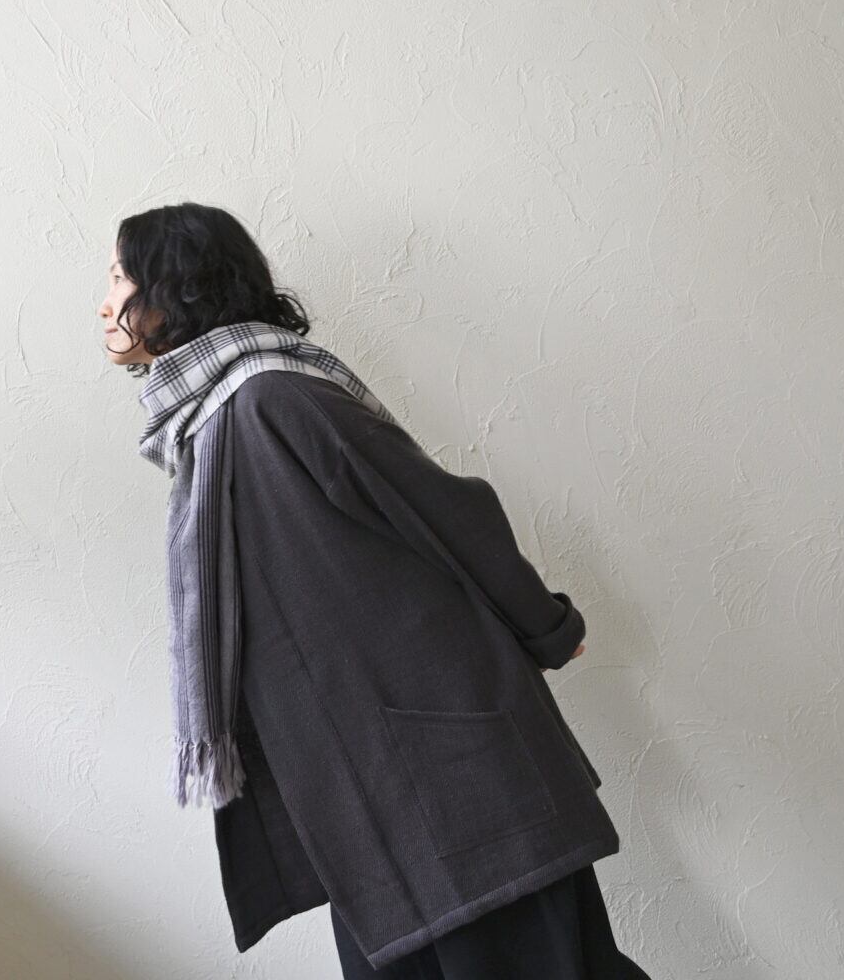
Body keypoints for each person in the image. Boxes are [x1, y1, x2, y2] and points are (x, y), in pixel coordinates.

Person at [99, 201, 652, 979]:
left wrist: (548, 627)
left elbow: (442, 511)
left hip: (445, 776)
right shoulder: (211, 429)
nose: (105, 303)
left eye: (119, 277)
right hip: (373, 800)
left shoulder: (276, 399)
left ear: (175, 288)